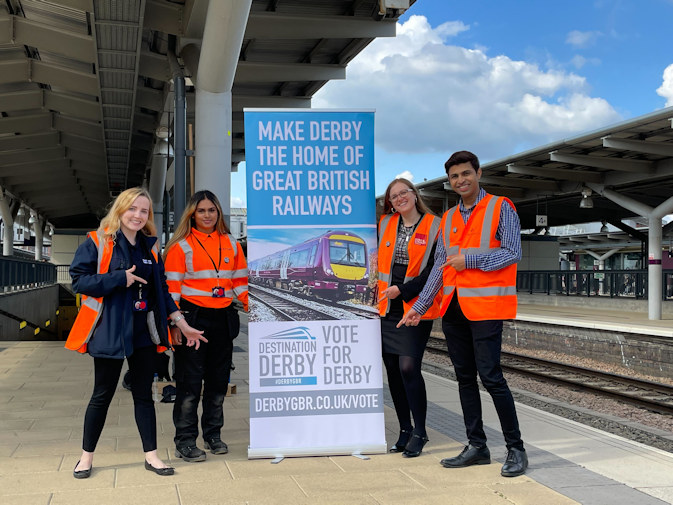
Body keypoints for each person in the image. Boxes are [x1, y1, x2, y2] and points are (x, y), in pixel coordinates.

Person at [399, 151, 528, 477]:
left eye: (465, 174)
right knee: (464, 379)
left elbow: (513, 252)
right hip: (454, 309)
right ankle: (477, 446)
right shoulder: (450, 218)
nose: (460, 180)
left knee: (491, 377)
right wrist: (419, 307)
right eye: (454, 177)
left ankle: (516, 449)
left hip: (486, 307)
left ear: (478, 173)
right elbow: (440, 271)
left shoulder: (501, 207)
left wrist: (469, 261)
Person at [66, 187, 205, 479]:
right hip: (110, 331)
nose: (138, 215)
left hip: (144, 332)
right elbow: (79, 281)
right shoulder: (98, 241)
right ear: (120, 209)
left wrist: (180, 322)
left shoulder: (151, 247)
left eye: (144, 211)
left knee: (144, 395)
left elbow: (161, 291)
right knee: (101, 395)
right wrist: (120, 278)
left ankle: (151, 456)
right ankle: (85, 457)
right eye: (133, 209)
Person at [163, 190, 248, 462]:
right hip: (192, 319)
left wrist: (256, 308)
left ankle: (213, 435)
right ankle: (185, 441)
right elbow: (171, 289)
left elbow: (240, 283)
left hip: (223, 318)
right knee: (189, 385)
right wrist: (175, 325)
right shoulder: (181, 246)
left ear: (219, 213)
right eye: (202, 211)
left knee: (218, 382)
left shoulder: (231, 243)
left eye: (212, 210)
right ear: (192, 214)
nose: (208, 215)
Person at [377, 178, 442, 458]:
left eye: (404, 192)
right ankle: (404, 429)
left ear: (415, 195)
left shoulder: (435, 225)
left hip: (417, 306)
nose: (400, 198)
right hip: (386, 308)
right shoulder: (385, 224)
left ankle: (420, 431)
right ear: (390, 202)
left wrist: (402, 290)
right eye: (394, 195)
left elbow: (433, 271)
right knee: (392, 368)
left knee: (408, 368)